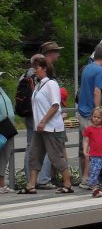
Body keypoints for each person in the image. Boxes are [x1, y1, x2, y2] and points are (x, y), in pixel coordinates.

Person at [17, 54, 74, 194]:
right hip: (40, 128)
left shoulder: (51, 84)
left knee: (56, 156)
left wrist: (43, 121)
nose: (35, 70)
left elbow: (55, 105)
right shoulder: (38, 85)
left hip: (51, 127)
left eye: (37, 68)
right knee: (34, 155)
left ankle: (68, 184)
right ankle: (31, 184)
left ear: (44, 68)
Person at [21, 40, 64, 189]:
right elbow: (52, 102)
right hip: (41, 119)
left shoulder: (44, 78)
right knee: (44, 151)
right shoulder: (41, 76)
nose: (58, 55)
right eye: (56, 52)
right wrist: (43, 120)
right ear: (49, 54)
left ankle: (33, 182)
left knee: (37, 150)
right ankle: (42, 180)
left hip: (40, 118)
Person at [78, 43, 102, 187]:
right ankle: (88, 180)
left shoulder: (87, 68)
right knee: (94, 149)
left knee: (86, 147)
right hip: (92, 115)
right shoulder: (100, 71)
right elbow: (97, 91)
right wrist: (98, 113)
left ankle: (86, 178)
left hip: (83, 111)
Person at [0, 76, 16, 194]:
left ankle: (2, 184)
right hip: (2, 127)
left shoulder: (1, 90)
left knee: (5, 155)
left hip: (8, 128)